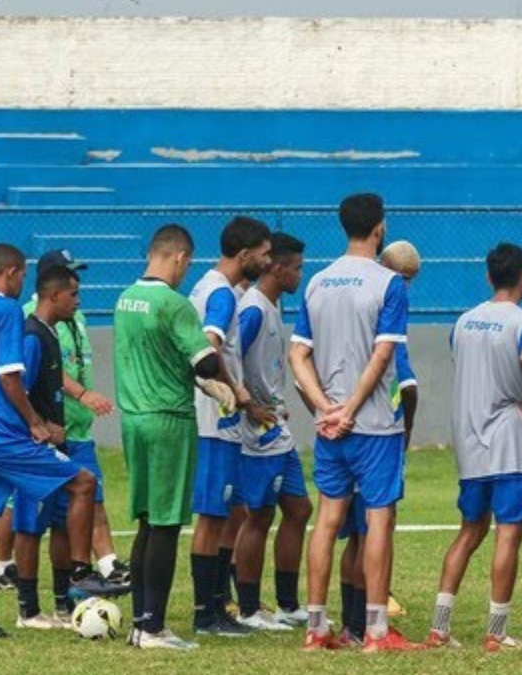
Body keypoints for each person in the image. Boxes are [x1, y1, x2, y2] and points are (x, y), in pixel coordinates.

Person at [291, 192, 418, 651]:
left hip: (330, 429)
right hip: (375, 426)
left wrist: (326, 408)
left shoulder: (317, 282)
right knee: (379, 521)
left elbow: (296, 355)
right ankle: (377, 631)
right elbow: (384, 353)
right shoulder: (389, 284)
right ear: (380, 227)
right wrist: (349, 408)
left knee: (326, 521)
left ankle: (316, 627)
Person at [0, 244, 122, 641]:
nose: (21, 283)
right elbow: (12, 379)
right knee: (81, 485)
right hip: (7, 437)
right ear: (10, 273)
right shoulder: (13, 316)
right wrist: (36, 423)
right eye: (20, 276)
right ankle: (79, 572)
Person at [116, 224, 240, 649]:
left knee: (148, 521)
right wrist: (220, 385)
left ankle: (140, 622)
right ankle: (154, 628)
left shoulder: (124, 299)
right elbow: (205, 362)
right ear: (181, 258)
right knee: (167, 523)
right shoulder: (173, 303)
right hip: (168, 419)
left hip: (133, 419)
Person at [424, 242, 522, 652]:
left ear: (488, 276)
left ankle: (440, 627)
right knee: (508, 535)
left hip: (470, 442)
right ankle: (496, 631)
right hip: (510, 441)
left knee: (469, 531)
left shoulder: (463, 323)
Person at [187, 216, 274, 637]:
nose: (268, 260)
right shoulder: (221, 295)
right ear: (245, 255)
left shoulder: (207, 285)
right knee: (210, 518)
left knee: (227, 513)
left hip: (218, 421)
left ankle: (218, 605)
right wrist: (235, 389)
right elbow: (208, 347)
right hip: (213, 421)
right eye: (264, 253)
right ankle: (206, 614)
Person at [337, 240, 421, 646]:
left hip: (338, 429)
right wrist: (407, 433)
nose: (406, 289)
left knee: (350, 530)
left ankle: (346, 623)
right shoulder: (388, 315)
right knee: (376, 530)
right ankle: (367, 621)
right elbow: (408, 385)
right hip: (376, 435)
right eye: (406, 280)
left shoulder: (342, 298)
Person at [23, 250, 124, 586]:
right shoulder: (33, 321)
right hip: (46, 432)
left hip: (74, 427)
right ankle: (26, 590)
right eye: (69, 278)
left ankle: (87, 577)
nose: (76, 286)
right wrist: (79, 395)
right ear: (51, 286)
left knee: (84, 499)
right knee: (39, 514)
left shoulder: (72, 317)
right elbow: (29, 378)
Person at [233, 232, 313, 631]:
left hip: (276, 429)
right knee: (259, 515)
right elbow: (227, 358)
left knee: (299, 509)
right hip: (258, 433)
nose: (300, 274)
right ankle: (248, 608)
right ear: (277, 267)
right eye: (297, 267)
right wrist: (248, 404)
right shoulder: (252, 311)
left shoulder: (272, 307)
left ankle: (286, 603)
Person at [11, 265, 85, 630]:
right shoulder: (32, 338)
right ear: (54, 295)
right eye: (73, 294)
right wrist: (38, 426)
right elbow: (16, 391)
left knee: (60, 522)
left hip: (58, 442)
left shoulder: (51, 333)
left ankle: (61, 603)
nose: (78, 301)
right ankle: (27, 609)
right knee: (30, 525)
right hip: (34, 449)